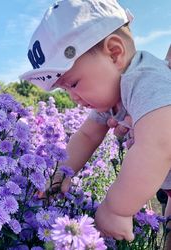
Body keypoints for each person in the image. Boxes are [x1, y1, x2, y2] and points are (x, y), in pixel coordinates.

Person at [20, 0, 171, 241]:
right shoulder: (112, 96)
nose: (72, 97)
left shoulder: (145, 80)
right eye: (64, 90)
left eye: (74, 83)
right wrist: (60, 174)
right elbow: (87, 136)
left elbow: (159, 144)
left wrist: (116, 209)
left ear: (114, 53)